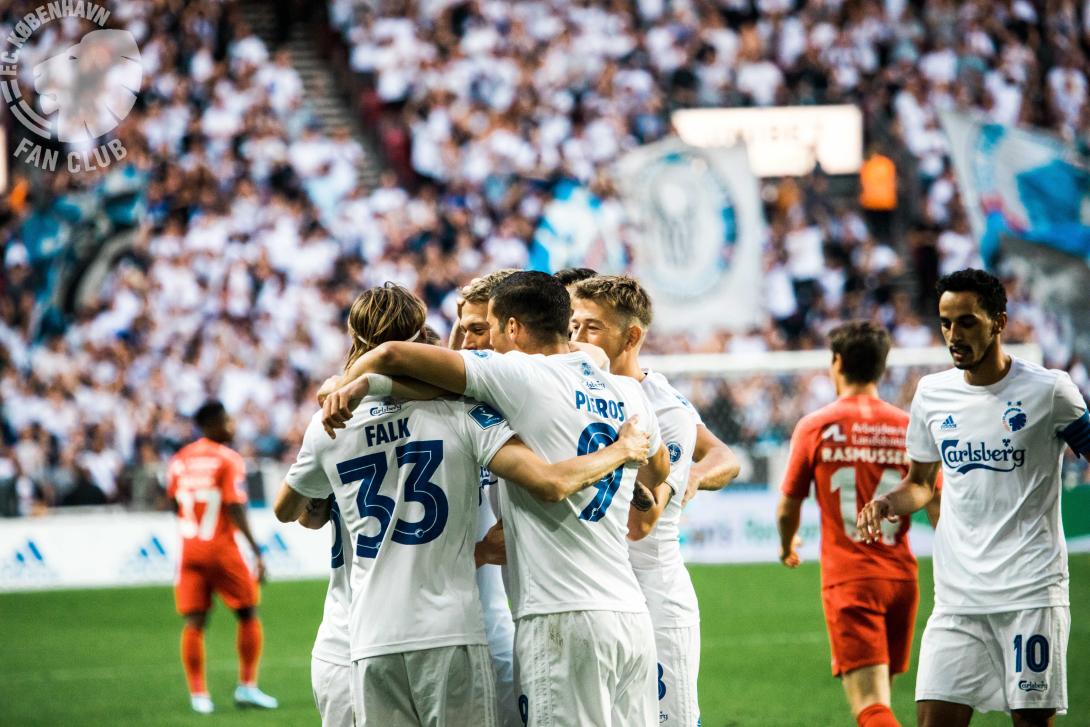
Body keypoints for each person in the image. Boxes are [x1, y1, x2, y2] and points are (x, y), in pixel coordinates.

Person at [275, 282, 655, 726]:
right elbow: (552, 479)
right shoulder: (468, 413)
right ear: (421, 338)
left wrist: (351, 387)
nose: (476, 343)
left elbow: (293, 512)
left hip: (358, 639)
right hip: (462, 628)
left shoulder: (328, 425)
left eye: (482, 328)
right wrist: (621, 456)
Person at [859, 269, 1090, 727]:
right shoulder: (931, 394)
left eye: (966, 322)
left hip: (1030, 593)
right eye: (946, 323)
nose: (954, 335)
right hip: (957, 599)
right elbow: (920, 483)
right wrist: (887, 502)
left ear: (998, 322)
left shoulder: (1049, 390)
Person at [570, 274, 740, 726]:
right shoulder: (577, 392)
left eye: (590, 327)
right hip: (598, 596)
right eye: (573, 325)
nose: (576, 338)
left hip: (654, 597)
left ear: (631, 337)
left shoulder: (664, 408)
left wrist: (681, 478)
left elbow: (641, 524)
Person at [776, 321, 937, 727]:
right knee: (882, 700)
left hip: (851, 580)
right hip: (902, 579)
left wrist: (787, 544)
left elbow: (788, 507)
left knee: (871, 708)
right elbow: (935, 499)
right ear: (882, 366)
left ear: (837, 362)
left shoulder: (816, 426)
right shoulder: (907, 426)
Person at [166, 401, 278, 714]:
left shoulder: (179, 459)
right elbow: (234, 505)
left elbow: (173, 503)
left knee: (195, 621)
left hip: (189, 550)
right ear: (213, 425)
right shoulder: (227, 458)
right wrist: (256, 551)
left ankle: (199, 695)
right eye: (228, 421)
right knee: (248, 611)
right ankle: (247, 687)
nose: (232, 426)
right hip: (221, 550)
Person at [450, 268, 522, 727]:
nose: (467, 343)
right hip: (479, 626)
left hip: (553, 619)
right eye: (463, 330)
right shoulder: (466, 404)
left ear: (512, 326)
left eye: (478, 329)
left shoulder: (542, 401)